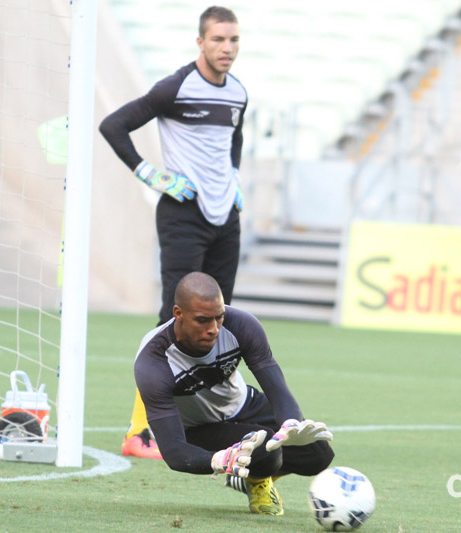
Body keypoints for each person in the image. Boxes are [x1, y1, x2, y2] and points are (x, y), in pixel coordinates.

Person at [99, 6, 247, 459]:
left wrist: (234, 181)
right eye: (218, 39)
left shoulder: (238, 93)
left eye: (234, 40)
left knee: (217, 321)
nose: (226, 48)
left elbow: (233, 141)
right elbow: (114, 125)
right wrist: (153, 176)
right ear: (200, 42)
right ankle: (141, 431)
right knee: (173, 319)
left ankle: (206, 418)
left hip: (226, 219)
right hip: (183, 214)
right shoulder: (175, 88)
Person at [133, 272, 335, 515]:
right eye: (202, 320)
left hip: (241, 403)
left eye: (219, 318)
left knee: (318, 453)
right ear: (178, 314)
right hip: (195, 429)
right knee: (262, 446)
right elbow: (174, 451)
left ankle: (246, 475)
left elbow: (274, 384)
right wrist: (216, 460)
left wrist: (291, 422)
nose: (213, 329)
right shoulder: (153, 360)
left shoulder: (241, 324)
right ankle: (258, 478)